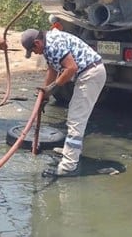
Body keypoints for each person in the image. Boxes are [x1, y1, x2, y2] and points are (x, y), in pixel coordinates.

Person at [21, 28, 106, 177]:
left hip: (91, 74)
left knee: (76, 119)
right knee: (74, 117)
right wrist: (44, 96)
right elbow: (52, 71)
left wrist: (52, 88)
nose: (35, 53)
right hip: (87, 72)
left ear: (37, 42)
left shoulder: (54, 44)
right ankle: (70, 151)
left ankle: (68, 166)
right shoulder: (47, 46)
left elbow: (71, 68)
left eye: (33, 50)